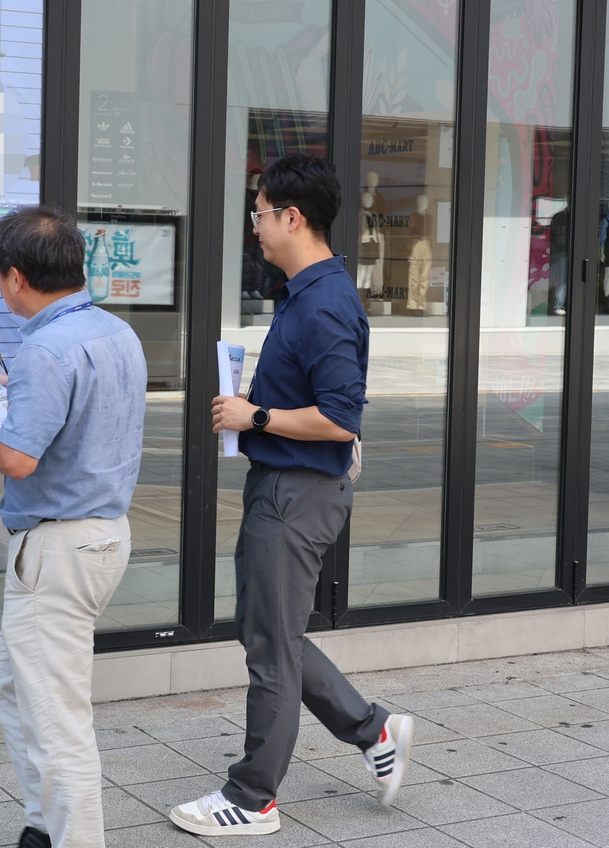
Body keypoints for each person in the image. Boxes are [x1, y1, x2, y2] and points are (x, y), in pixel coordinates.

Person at [170, 154, 413, 837]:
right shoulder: (307, 293)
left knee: (270, 649)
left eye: (259, 214)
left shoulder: (326, 303)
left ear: (291, 217)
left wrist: (259, 419)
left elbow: (342, 416)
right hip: (285, 485)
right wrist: (257, 405)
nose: (256, 228)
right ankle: (372, 729)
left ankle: (252, 800)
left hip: (297, 492)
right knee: (270, 632)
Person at [0, 207, 147, 848]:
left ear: (13, 278)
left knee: (57, 715)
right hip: (103, 535)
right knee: (15, 685)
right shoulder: (116, 333)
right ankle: (44, 824)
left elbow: (18, 458)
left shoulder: (44, 346)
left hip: (59, 547)